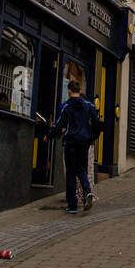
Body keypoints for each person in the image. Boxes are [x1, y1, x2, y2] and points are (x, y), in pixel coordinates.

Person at [47, 80, 101, 213]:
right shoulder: (89, 106)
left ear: (69, 91)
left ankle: (72, 206)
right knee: (82, 170)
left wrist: (49, 136)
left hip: (71, 142)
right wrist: (91, 137)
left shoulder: (67, 106)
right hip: (84, 142)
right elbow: (97, 123)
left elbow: (59, 124)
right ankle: (87, 193)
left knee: (71, 172)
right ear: (80, 90)